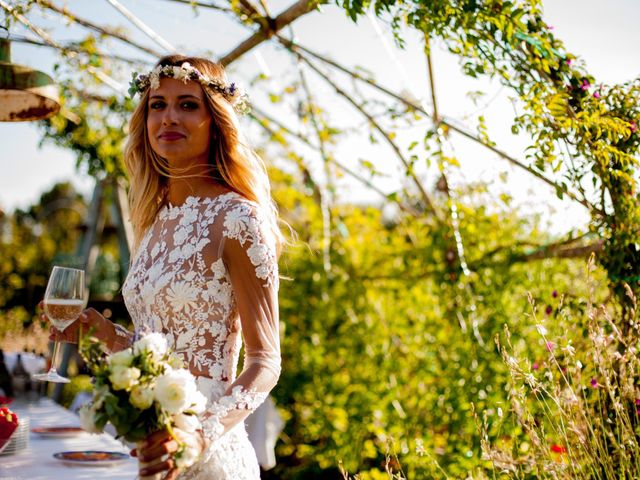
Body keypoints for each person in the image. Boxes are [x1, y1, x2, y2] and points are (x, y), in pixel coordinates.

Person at [47, 55, 283, 480]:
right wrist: (104, 333)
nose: (169, 117)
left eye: (188, 104)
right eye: (158, 104)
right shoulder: (153, 221)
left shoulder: (237, 218)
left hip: (207, 447)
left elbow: (266, 362)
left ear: (215, 120)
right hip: (148, 442)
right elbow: (156, 350)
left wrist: (200, 435)